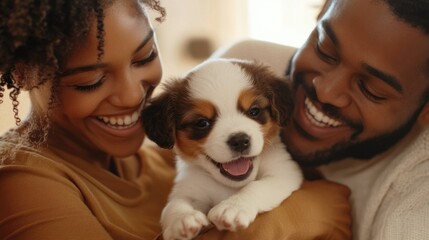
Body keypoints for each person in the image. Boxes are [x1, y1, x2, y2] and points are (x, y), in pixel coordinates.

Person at [0, 0, 352, 240]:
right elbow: (322, 207)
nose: (132, 96)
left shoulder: (167, 156)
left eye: (145, 56)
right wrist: (297, 213)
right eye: (91, 81)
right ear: (25, 73)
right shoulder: (20, 182)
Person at [217, 0, 429, 239]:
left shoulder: (417, 204)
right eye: (324, 50)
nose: (325, 91)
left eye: (372, 90)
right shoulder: (242, 76)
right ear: (323, 9)